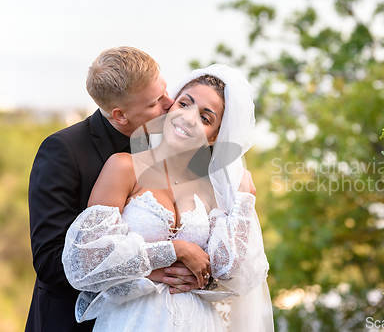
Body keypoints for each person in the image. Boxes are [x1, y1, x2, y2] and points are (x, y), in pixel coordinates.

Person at [62, 65, 274, 331]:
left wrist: (244, 200)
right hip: (132, 322)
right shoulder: (124, 167)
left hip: (199, 323)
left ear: (214, 137)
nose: (188, 118)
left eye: (206, 118)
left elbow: (232, 273)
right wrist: (176, 250)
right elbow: (85, 262)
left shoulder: (211, 190)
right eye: (184, 104)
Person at [26, 46, 199, 332]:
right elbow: (49, 261)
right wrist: (152, 265)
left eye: (166, 90)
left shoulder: (165, 143)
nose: (171, 104)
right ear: (120, 115)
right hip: (72, 322)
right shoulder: (63, 151)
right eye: (155, 102)